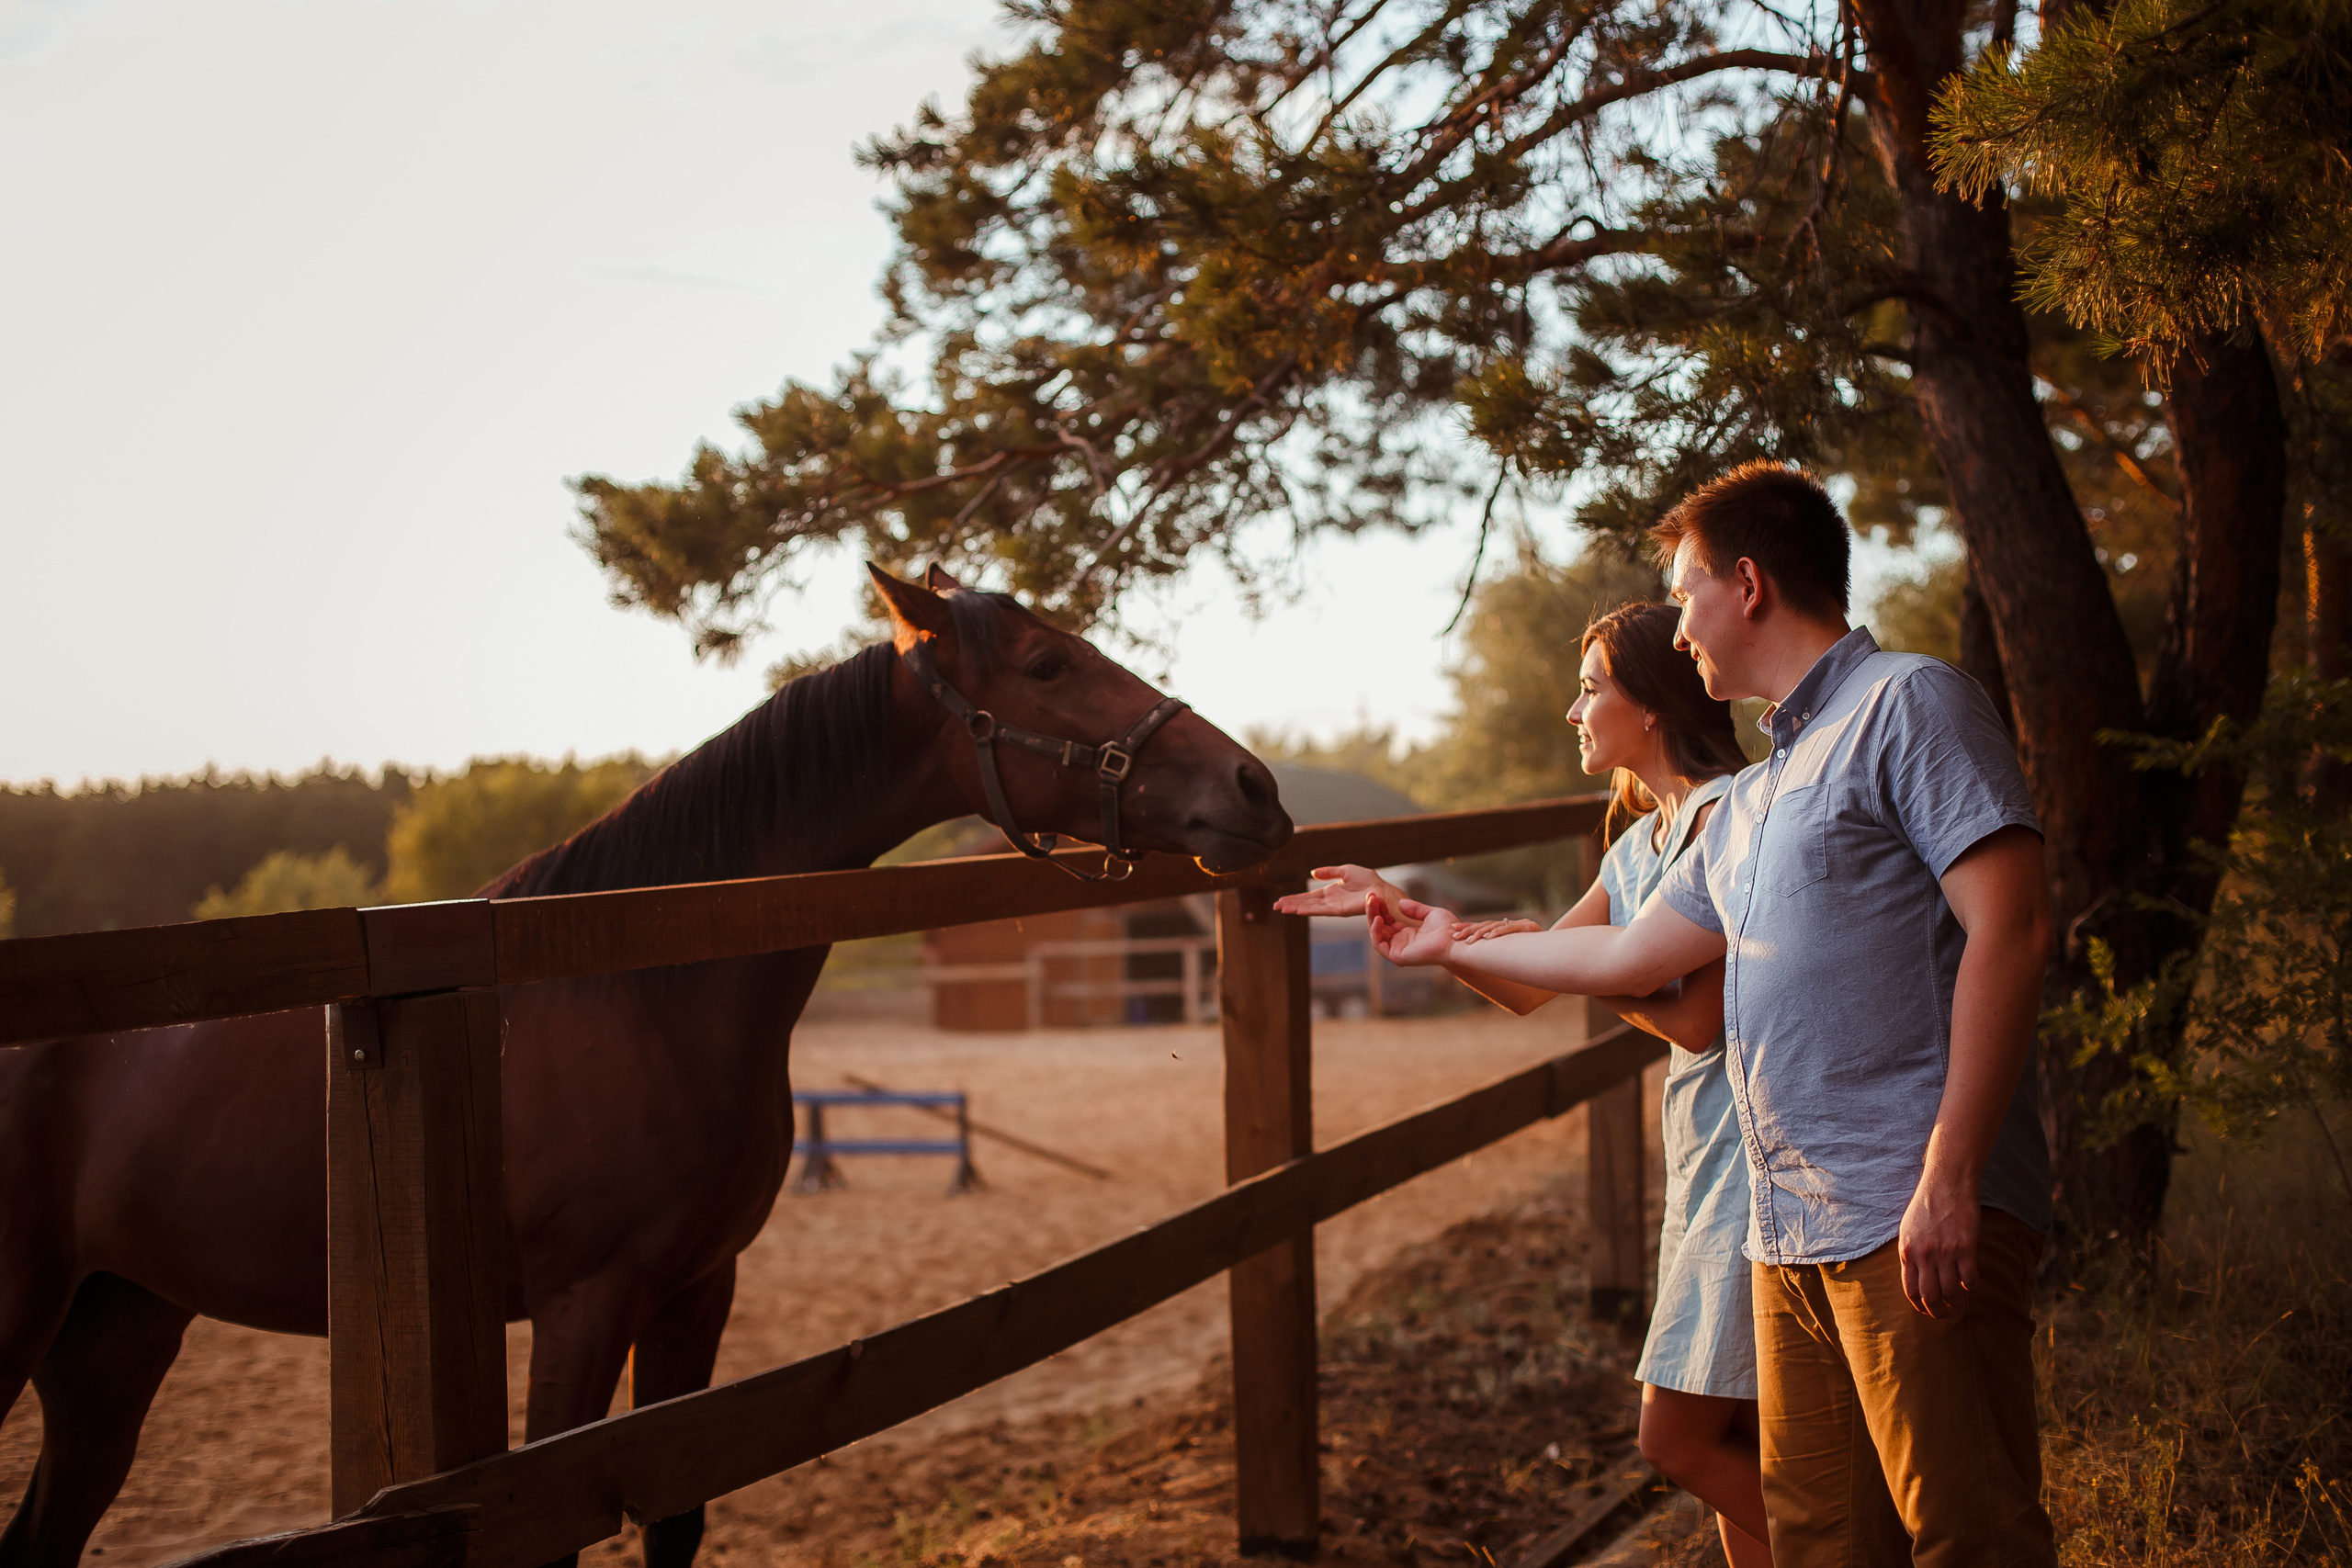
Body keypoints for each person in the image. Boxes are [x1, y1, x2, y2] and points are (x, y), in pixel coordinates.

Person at [1363, 463, 2058, 1568]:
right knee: (1827, 1544)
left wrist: (1951, 1175)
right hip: (1787, 1235)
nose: (1677, 627)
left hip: (1903, 1206)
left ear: (1747, 584)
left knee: (1966, 1537)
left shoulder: (1908, 703)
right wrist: (1437, 935)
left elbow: (2012, 929)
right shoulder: (1767, 785)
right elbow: (1633, 950)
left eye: (1684, 594)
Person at [1276, 602, 1774, 1567]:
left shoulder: (1727, 818)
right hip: (1702, 1161)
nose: (1572, 710)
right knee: (1735, 1439)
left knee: (1674, 1440)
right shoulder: (1635, 849)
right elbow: (1528, 985)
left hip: (1752, 1162)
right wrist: (1435, 936)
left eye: (1590, 688)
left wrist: (1602, 968)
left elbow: (1694, 1017)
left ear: (1653, 706)